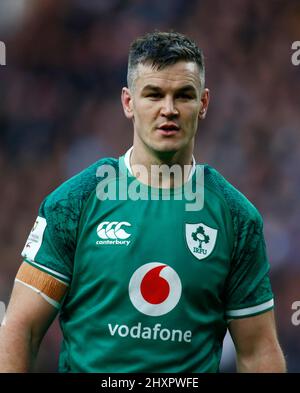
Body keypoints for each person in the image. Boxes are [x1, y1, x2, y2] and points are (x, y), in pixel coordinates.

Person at [0, 31, 286, 373]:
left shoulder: (237, 218)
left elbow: (258, 352)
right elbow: (20, 328)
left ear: (204, 103)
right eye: (153, 94)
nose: (169, 109)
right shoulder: (74, 203)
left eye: (183, 96)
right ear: (128, 102)